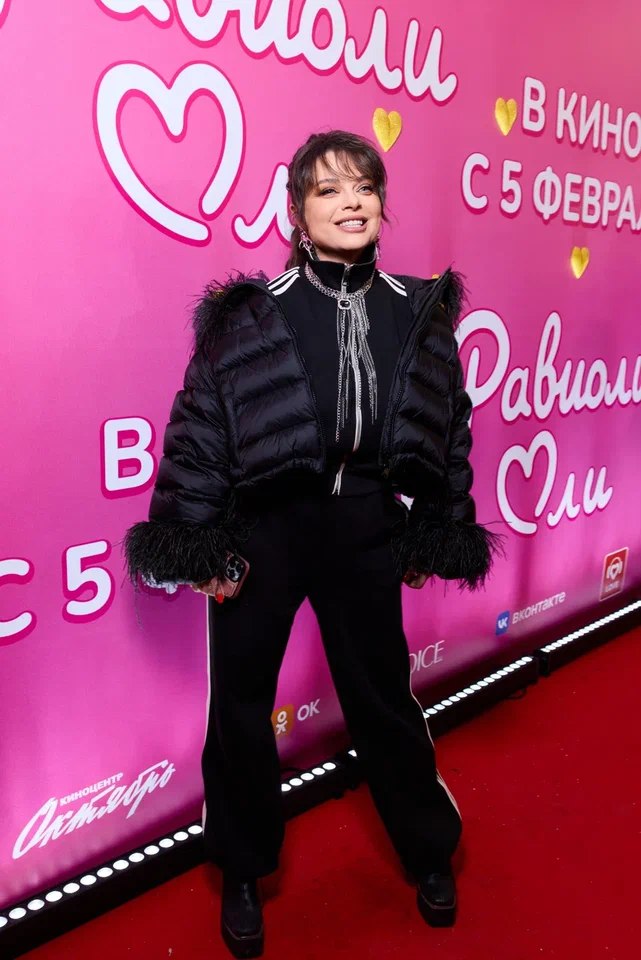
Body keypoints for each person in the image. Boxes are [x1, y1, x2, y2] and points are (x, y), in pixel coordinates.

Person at [124, 130, 501, 959]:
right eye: (328, 190)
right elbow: (201, 429)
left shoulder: (417, 309)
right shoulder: (251, 312)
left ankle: (428, 850)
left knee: (384, 699)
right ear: (296, 211)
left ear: (381, 204)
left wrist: (434, 529)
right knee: (240, 708)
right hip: (264, 531)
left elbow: (447, 429)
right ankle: (242, 868)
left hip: (365, 525)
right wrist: (203, 547)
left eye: (363, 187)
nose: (350, 202)